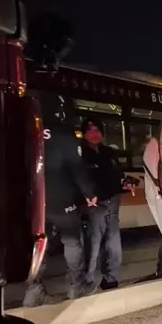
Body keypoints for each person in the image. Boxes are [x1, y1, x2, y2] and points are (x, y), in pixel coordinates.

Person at [23, 122, 95, 307]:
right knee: (71, 240)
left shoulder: (23, 129)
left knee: (38, 244)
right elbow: (77, 169)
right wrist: (89, 193)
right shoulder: (63, 134)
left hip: (33, 200)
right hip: (61, 199)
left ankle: (33, 291)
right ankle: (75, 285)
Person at [80, 118, 135, 291]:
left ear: (103, 135)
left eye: (97, 131)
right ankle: (87, 280)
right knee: (94, 241)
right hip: (94, 204)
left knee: (113, 241)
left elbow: (118, 174)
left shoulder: (109, 152)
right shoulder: (80, 153)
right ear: (84, 134)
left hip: (113, 201)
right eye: (90, 131)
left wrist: (126, 183)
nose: (94, 134)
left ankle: (111, 278)